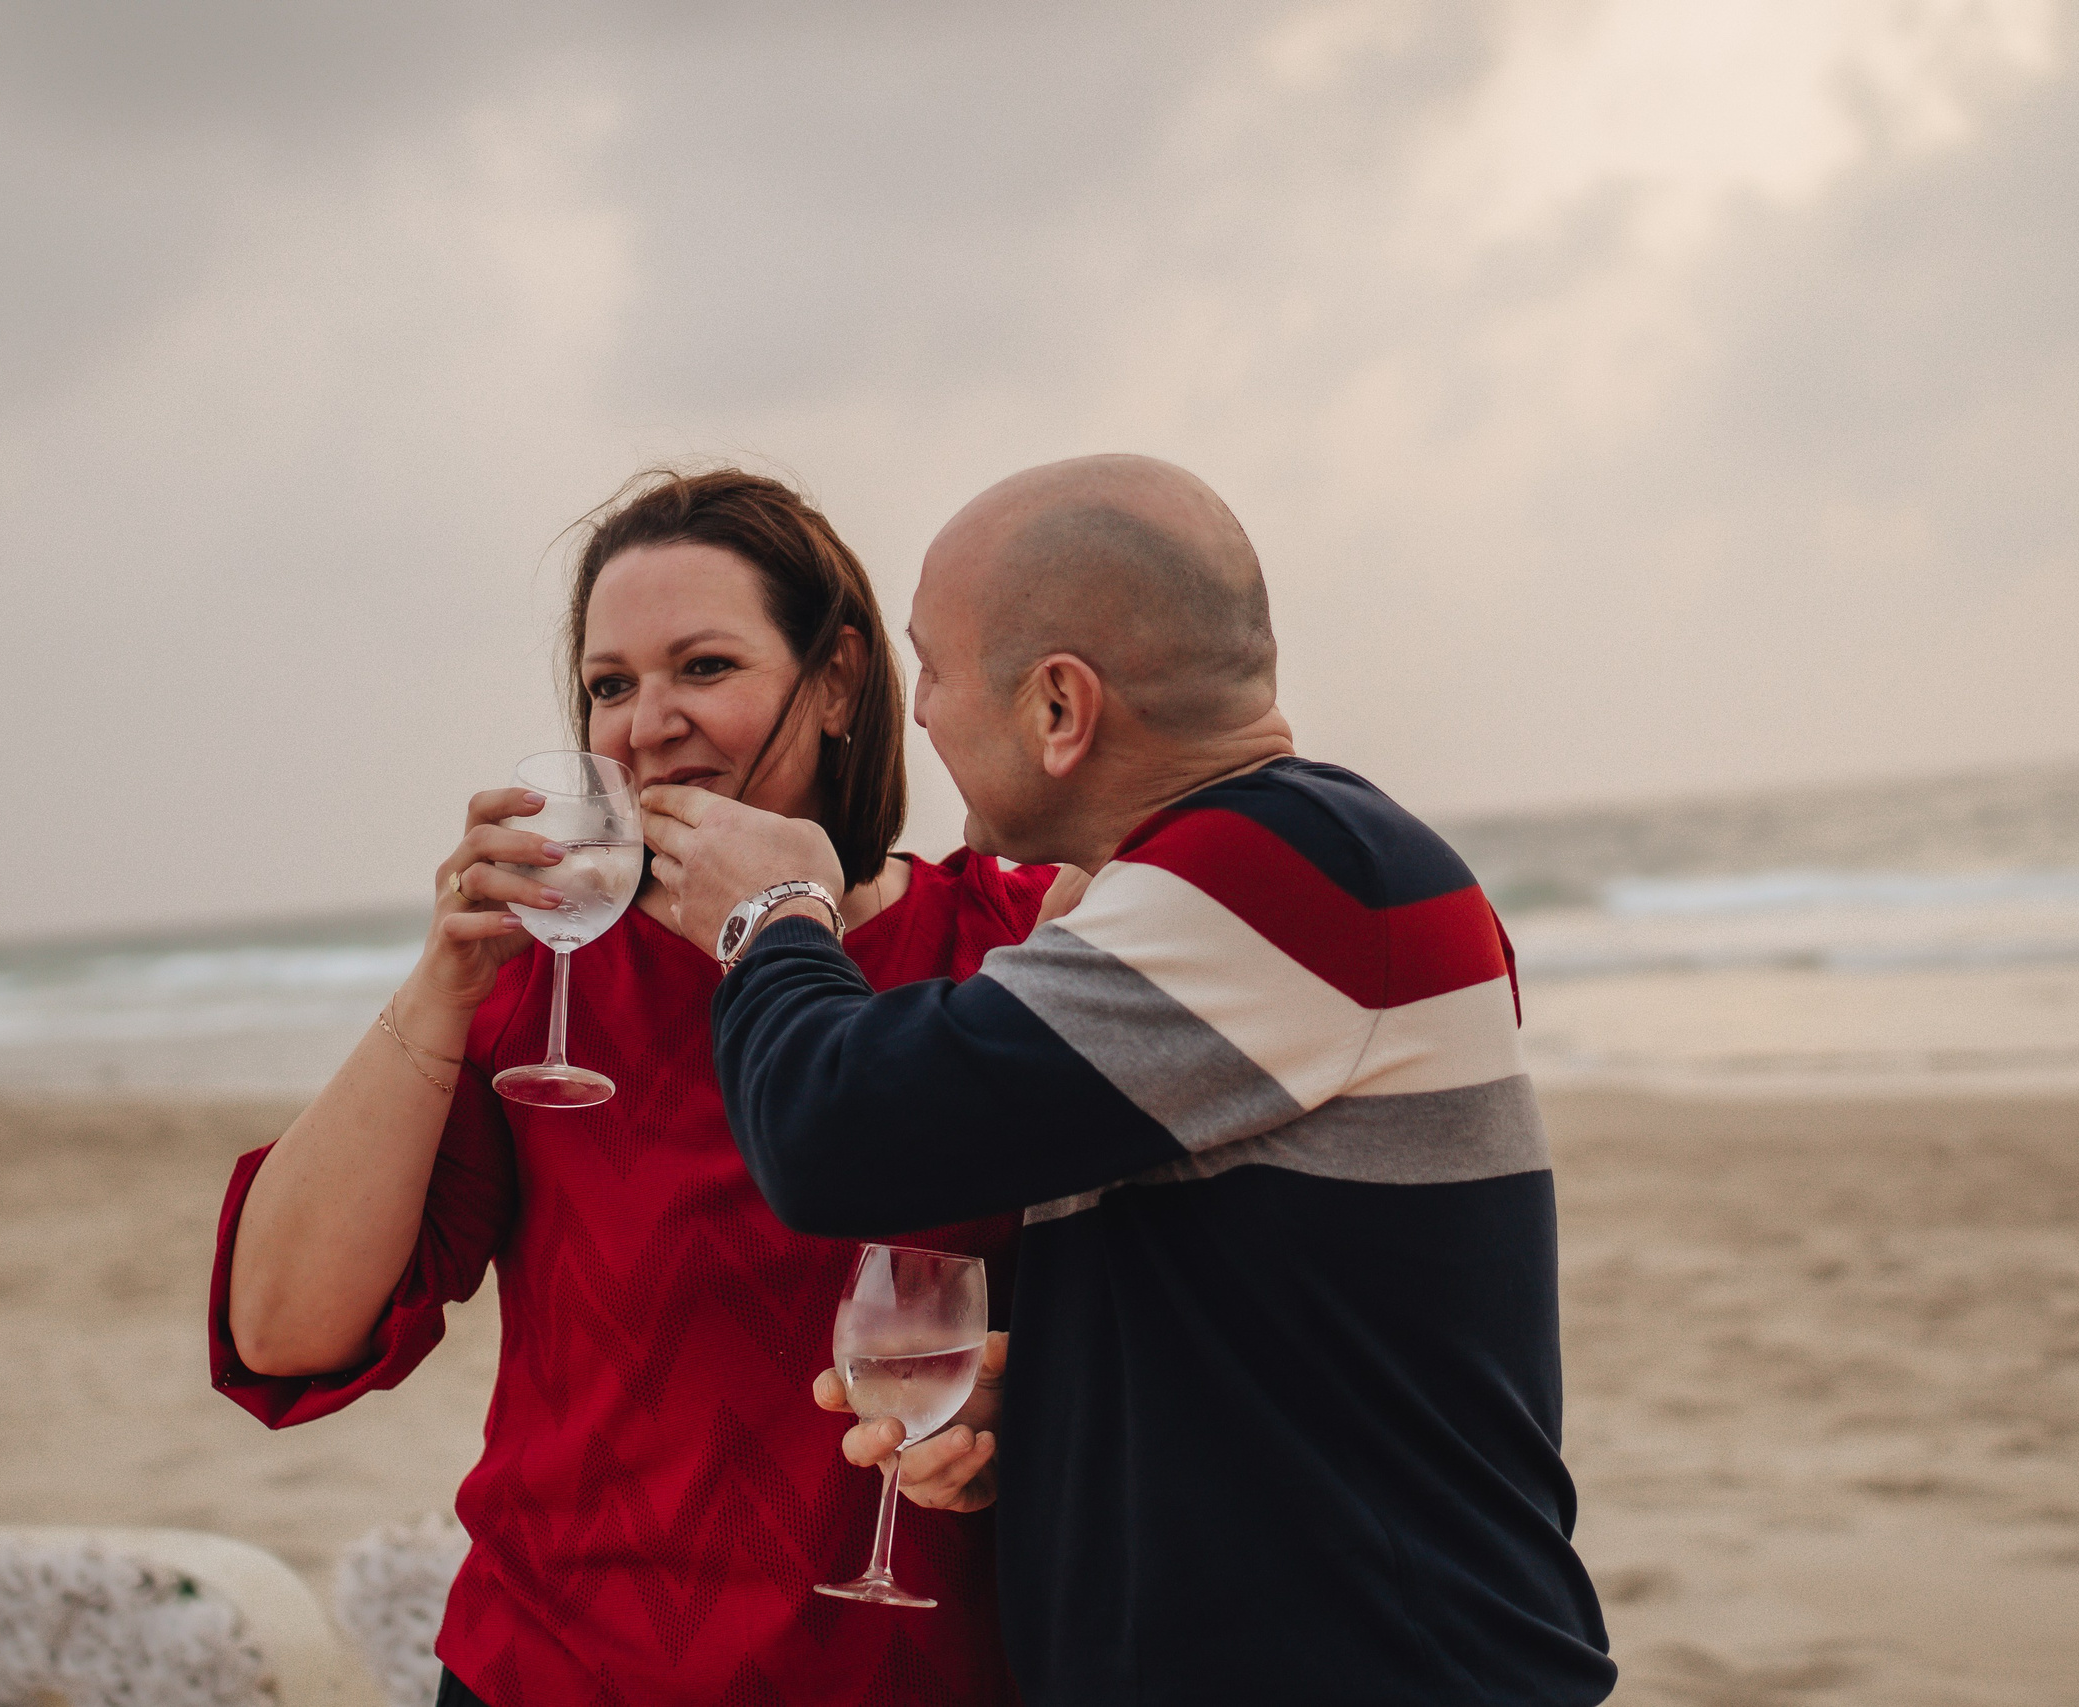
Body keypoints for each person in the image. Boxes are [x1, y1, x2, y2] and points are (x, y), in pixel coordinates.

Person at [640, 454, 1616, 1706]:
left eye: (932, 668)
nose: (918, 713)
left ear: (1059, 706)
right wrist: (1057, 1412)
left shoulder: (1288, 875)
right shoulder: (1224, 886)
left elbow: (834, 1131)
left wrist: (771, 914)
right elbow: (1281, 1318)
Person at [208, 469, 1069, 1706]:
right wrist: (441, 983)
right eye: (609, 685)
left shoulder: (1008, 948)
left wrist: (1026, 1400)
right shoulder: (543, 987)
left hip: (909, 1672)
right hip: (557, 1667)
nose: (646, 725)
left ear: (836, 680)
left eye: (703, 668)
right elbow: (284, 1330)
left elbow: (1172, 1311)